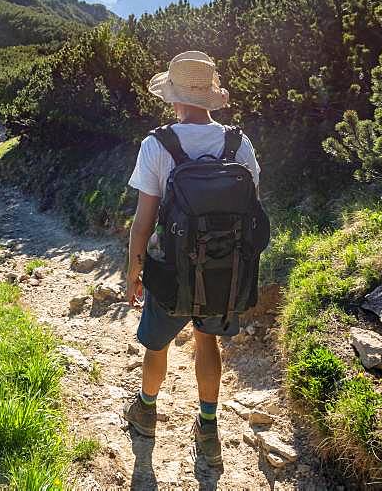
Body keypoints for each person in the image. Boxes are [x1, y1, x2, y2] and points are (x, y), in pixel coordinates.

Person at [122, 50, 260, 468]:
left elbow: (144, 220)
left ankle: (146, 413)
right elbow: (253, 211)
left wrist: (134, 268)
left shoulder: (158, 144)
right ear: (209, 97)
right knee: (207, 341)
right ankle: (209, 428)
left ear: (175, 98)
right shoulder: (239, 143)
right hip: (223, 270)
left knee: (157, 343)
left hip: (170, 270)